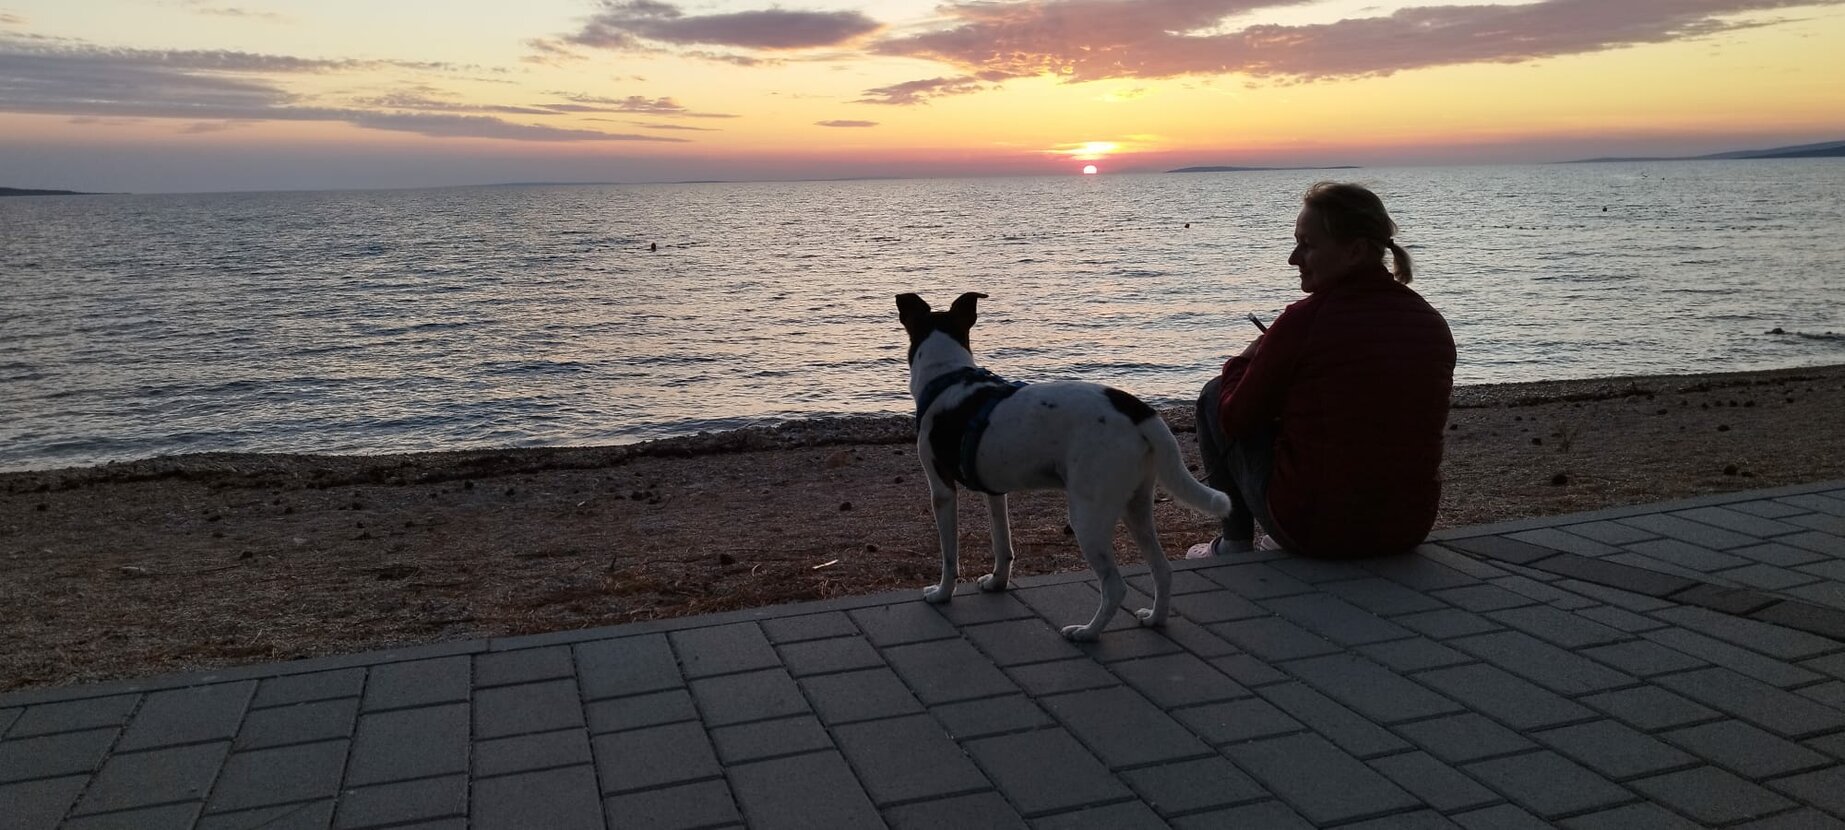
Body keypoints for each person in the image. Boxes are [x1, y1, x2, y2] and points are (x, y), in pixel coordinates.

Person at [1190, 182, 1456, 559]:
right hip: (1407, 528)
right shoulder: (1430, 321)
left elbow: (1233, 419)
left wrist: (1244, 361)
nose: (1293, 258)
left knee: (1215, 394)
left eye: (1307, 245)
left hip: (1316, 530)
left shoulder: (1305, 321)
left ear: (1355, 251)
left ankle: (1233, 544)